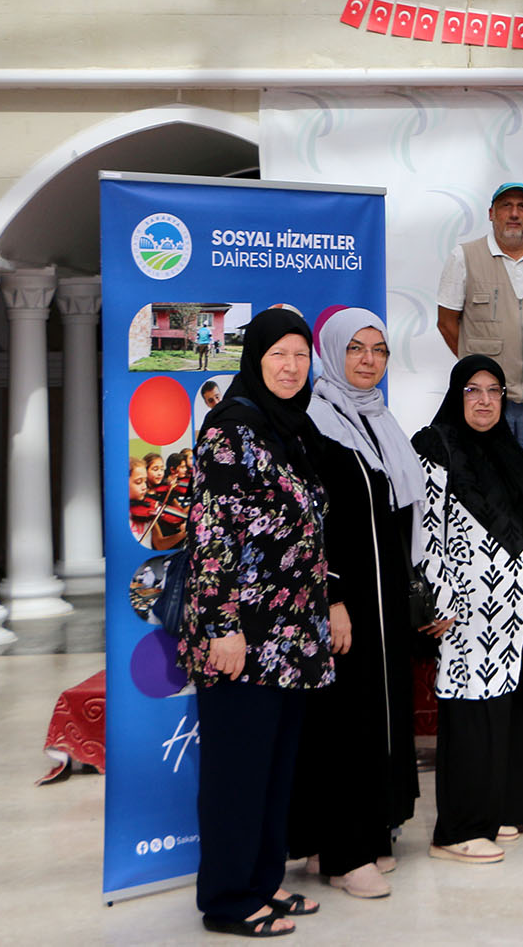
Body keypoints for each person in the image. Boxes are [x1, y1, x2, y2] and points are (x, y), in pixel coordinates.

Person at [176, 309, 332, 937]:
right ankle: (227, 900)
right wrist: (221, 628)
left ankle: (263, 883)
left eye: (300, 355)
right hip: (243, 635)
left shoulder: (286, 430)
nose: (292, 367)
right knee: (236, 774)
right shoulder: (229, 431)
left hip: (289, 635)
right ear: (255, 360)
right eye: (278, 356)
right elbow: (209, 537)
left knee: (273, 770)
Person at [290, 310, 423, 896]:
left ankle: (363, 833)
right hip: (345, 599)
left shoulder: (377, 417)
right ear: (332, 353)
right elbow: (311, 524)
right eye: (356, 350)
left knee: (377, 711)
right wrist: (334, 595)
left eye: (380, 350)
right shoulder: (316, 422)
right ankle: (346, 852)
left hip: (384, 594)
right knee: (345, 718)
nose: (368, 360)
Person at [413, 355, 523, 865]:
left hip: (517, 615)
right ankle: (456, 830)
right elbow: (425, 529)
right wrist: (438, 599)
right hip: (466, 614)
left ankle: (489, 814)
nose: (486, 400)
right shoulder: (435, 445)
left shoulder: (509, 451)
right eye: (473, 390)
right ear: (456, 395)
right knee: (470, 717)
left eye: (494, 390)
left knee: (500, 716)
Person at [436, 180, 523, 465]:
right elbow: (447, 323)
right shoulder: (464, 257)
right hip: (486, 399)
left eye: (522, 207)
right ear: (491, 213)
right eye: (506, 206)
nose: (514, 214)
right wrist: (476, 366)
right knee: (488, 479)